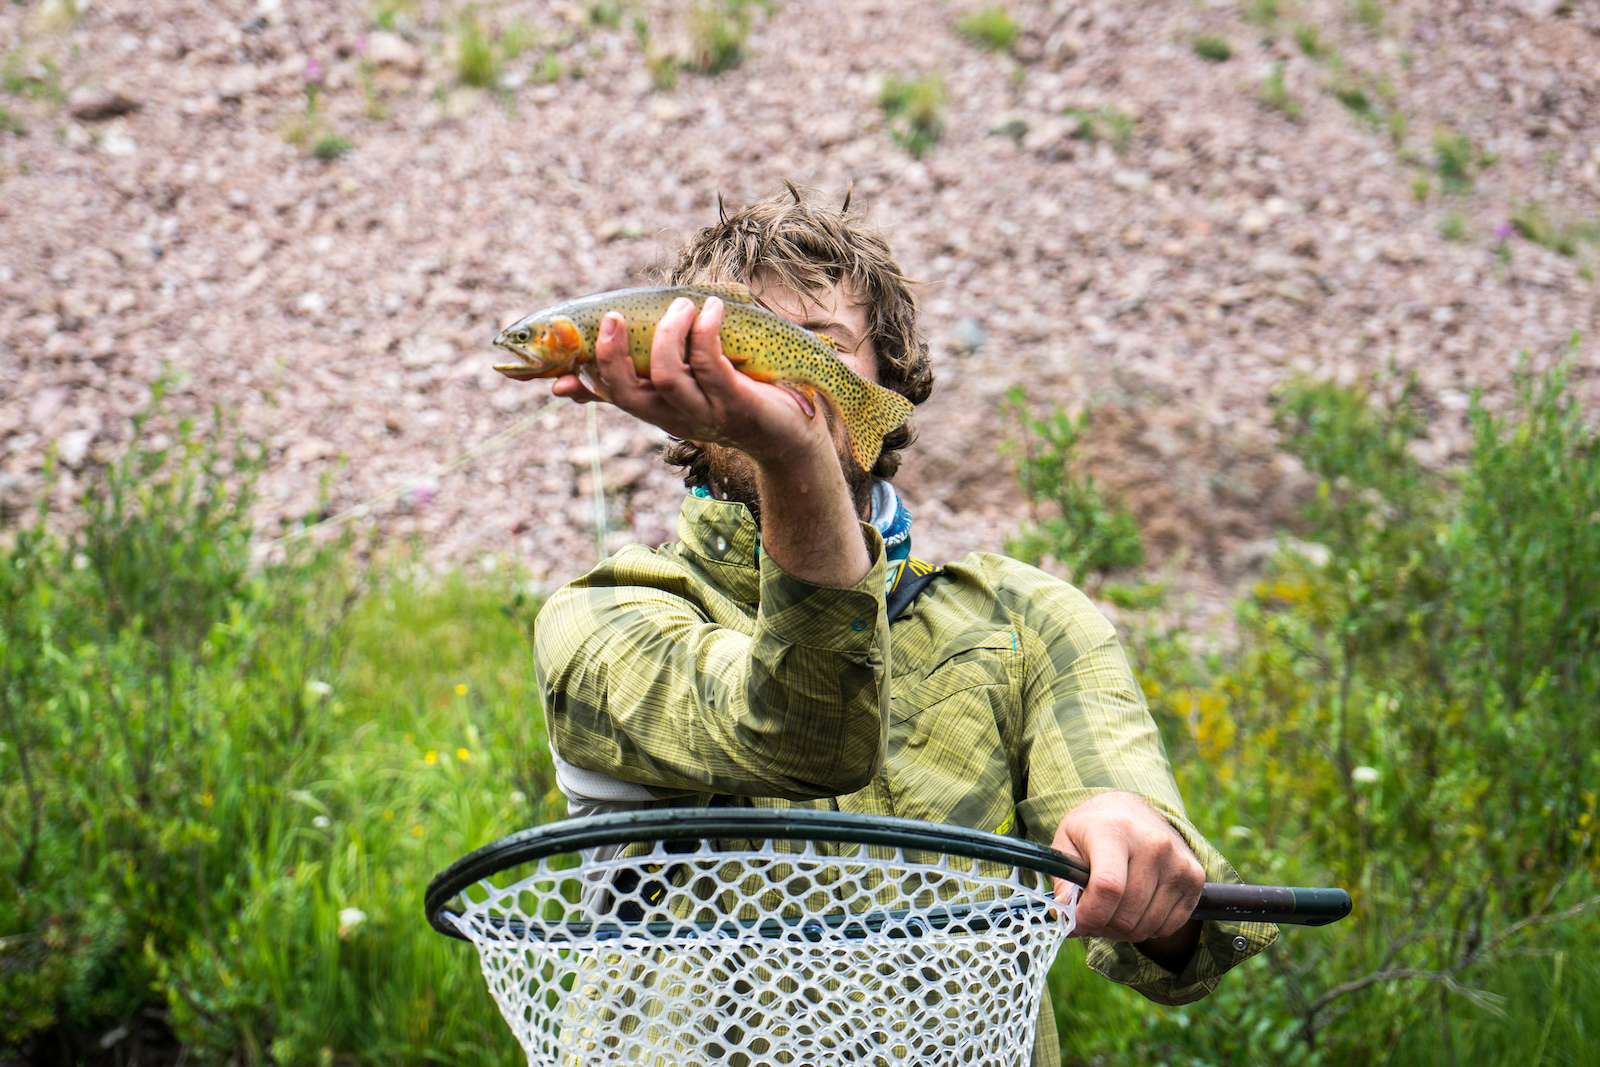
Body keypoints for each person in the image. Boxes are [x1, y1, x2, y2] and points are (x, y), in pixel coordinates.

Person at [531, 184, 1277, 1064]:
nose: (762, 379)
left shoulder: (1027, 621)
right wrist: (798, 454)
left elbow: (1187, 947)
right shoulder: (606, 615)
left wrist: (1131, 838)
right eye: (723, 348)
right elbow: (806, 734)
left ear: (884, 377)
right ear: (669, 382)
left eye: (817, 347)